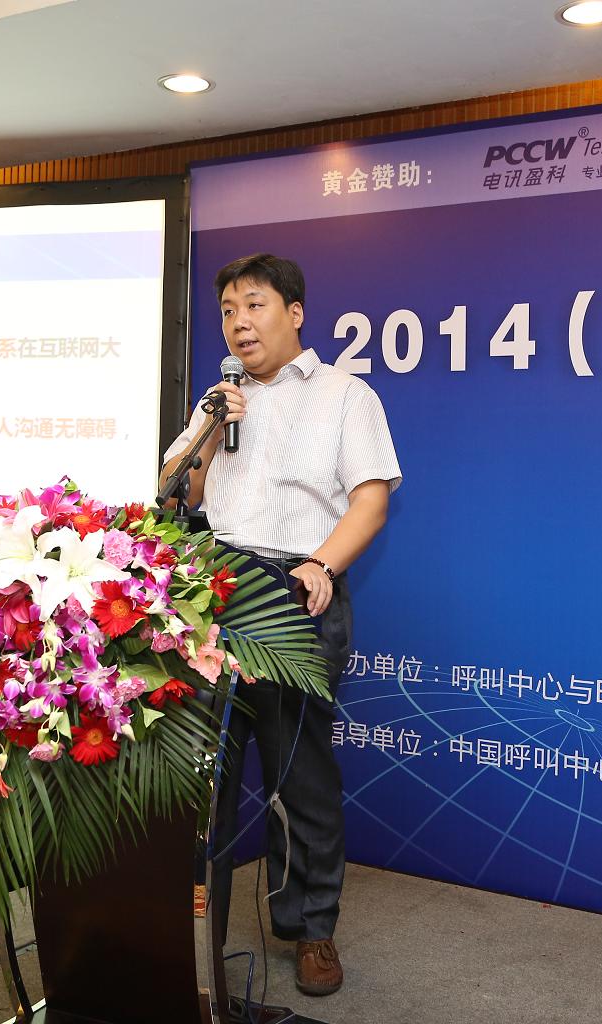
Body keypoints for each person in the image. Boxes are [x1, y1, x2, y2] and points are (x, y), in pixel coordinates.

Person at [160, 253, 401, 997]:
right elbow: (173, 493)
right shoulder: (218, 401)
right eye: (228, 310)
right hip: (214, 589)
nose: (239, 322)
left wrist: (322, 565)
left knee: (299, 774)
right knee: (201, 776)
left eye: (255, 305)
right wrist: (209, 431)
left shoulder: (344, 394)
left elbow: (370, 501)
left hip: (298, 591)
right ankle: (191, 928)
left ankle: (310, 928)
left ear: (294, 313)